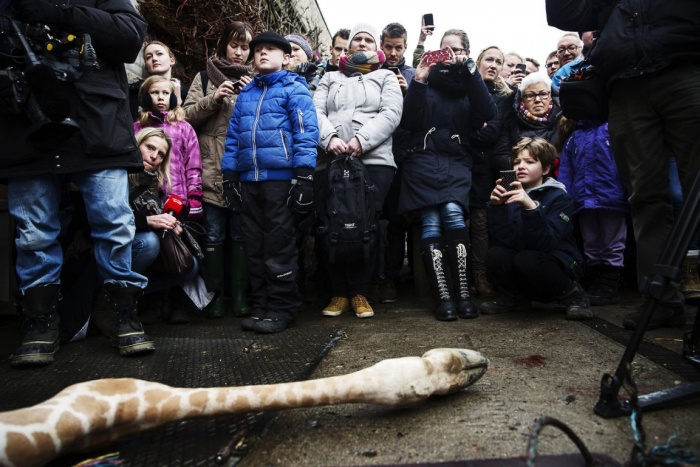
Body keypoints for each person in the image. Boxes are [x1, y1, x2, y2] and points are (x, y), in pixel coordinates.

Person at [2, 0, 153, 367]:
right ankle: (40, 322)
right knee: (33, 231)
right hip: (28, 125)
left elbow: (129, 37)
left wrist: (57, 10)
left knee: (115, 223)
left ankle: (123, 315)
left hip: (96, 124)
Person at [546, 0, 700, 330]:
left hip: (687, 69)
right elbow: (564, 14)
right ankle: (660, 299)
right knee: (644, 197)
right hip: (625, 85)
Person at [221, 31, 319, 334]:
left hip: (280, 181)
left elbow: (305, 132)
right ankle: (261, 305)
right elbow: (234, 138)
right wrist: (229, 177)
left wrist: (303, 176)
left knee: (279, 246)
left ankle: (282, 307)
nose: (263, 53)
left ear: (285, 57)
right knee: (254, 245)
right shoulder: (247, 94)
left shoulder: (295, 89)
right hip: (249, 181)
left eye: (271, 50)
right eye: (259, 49)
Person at [398, 29, 497, 321]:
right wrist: (419, 80)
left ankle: (463, 294)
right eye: (444, 49)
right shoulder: (425, 83)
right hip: (423, 160)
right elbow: (409, 120)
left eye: (456, 50)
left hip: (456, 159)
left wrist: (470, 72)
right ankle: (443, 297)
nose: (449, 54)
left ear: (466, 52)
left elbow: (488, 112)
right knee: (431, 220)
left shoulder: (469, 85)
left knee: (454, 215)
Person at [313, 23, 403, 319]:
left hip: (374, 161)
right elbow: (315, 112)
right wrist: (331, 139)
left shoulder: (385, 76)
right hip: (333, 159)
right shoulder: (329, 77)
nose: (362, 44)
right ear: (349, 46)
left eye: (368, 39)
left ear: (374, 45)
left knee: (369, 226)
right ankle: (339, 292)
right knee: (332, 224)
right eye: (357, 39)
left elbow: (391, 113)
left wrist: (360, 141)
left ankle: (362, 291)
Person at [182, 21, 254, 319]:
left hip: (241, 169)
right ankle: (216, 299)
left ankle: (239, 297)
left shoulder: (255, 78)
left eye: (245, 47)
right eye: (234, 45)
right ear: (224, 44)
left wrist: (251, 95)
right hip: (209, 168)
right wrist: (214, 98)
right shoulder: (204, 76)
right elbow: (184, 118)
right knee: (212, 236)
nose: (239, 52)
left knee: (239, 236)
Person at [480, 137, 592, 320]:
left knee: (527, 259)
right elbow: (506, 241)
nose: (521, 167)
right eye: (516, 162)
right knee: (495, 255)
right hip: (527, 265)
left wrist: (530, 207)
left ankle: (574, 295)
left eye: (530, 162)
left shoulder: (559, 197)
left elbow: (546, 242)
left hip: (557, 264)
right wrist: (497, 208)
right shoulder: (510, 195)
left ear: (546, 169)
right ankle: (517, 297)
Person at [558, 122, 629, 305]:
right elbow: (566, 170)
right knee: (591, 242)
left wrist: (627, 191)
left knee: (612, 242)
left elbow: (625, 162)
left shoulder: (610, 129)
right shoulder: (574, 137)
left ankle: (609, 284)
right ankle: (596, 282)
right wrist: (566, 197)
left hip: (611, 198)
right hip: (583, 199)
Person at [469, 45, 516, 297]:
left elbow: (491, 132)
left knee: (502, 222)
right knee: (476, 224)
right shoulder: (466, 91)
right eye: (489, 59)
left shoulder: (506, 96)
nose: (494, 65)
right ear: (478, 62)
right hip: (473, 167)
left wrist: (475, 130)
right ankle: (477, 275)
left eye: (499, 61)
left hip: (502, 168)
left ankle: (498, 276)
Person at [376, 21, 417, 303]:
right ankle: (376, 278)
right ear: (382, 45)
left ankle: (391, 277)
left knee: (397, 220)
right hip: (376, 154)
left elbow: (420, 118)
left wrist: (407, 94)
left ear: (406, 47)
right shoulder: (371, 72)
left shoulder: (414, 75)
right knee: (374, 221)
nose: (392, 53)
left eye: (398, 48)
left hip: (405, 158)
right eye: (388, 47)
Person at [134, 76, 203, 222]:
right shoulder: (137, 127)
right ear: (146, 97)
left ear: (172, 98)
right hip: (143, 197)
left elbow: (193, 166)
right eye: (154, 93)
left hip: (176, 199)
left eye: (165, 93)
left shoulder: (183, 127)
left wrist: (194, 198)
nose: (160, 98)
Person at [507, 74, 564, 171]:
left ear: (550, 96)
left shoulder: (564, 120)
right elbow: (502, 155)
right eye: (530, 95)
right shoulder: (512, 122)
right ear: (522, 100)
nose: (537, 100)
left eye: (543, 94)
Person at [129, 40, 188, 120]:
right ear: (146, 66)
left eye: (159, 54)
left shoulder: (188, 93)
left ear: (172, 60)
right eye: (148, 57)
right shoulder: (134, 92)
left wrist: (177, 103)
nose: (154, 59)